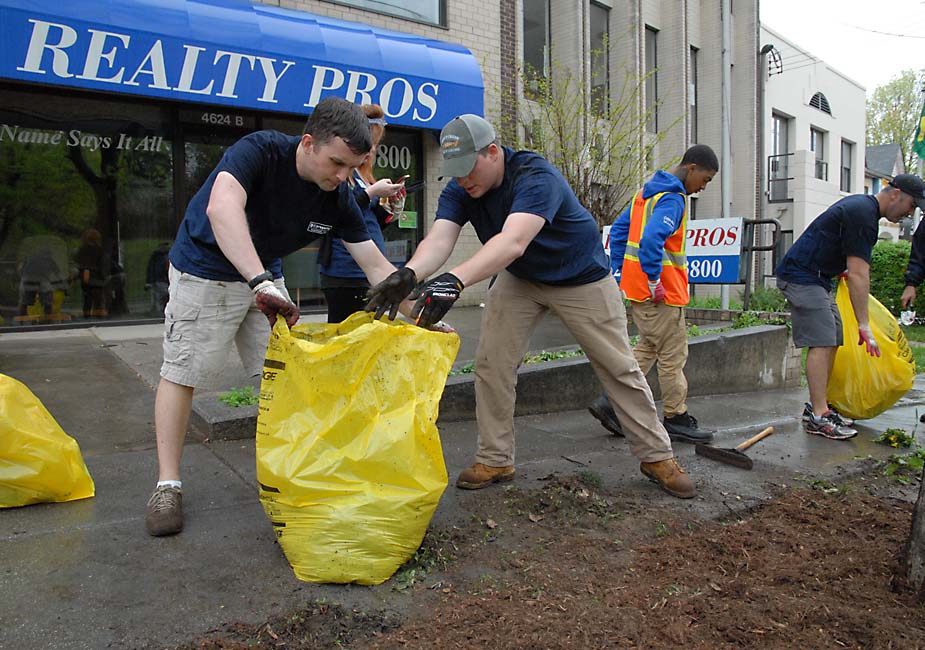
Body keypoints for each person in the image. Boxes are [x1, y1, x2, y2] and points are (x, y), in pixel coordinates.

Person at [365, 114, 696, 499]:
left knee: (618, 365)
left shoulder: (534, 175)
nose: (462, 180)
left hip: (581, 277)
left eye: (468, 168)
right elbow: (440, 239)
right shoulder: (461, 188)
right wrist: (408, 274)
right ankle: (496, 457)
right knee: (492, 363)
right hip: (521, 278)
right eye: (454, 172)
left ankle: (656, 456)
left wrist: (455, 281)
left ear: (492, 152)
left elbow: (512, 241)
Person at [145, 97, 405, 537]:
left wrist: (422, 315)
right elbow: (221, 208)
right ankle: (167, 484)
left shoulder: (338, 195)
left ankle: (295, 471)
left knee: (286, 376)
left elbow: (378, 268)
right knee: (183, 371)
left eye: (352, 167)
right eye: (337, 163)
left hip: (265, 276)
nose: (343, 177)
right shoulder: (259, 151)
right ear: (308, 143)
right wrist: (259, 280)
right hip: (205, 271)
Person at [776, 173, 925, 440]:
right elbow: (859, 274)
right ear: (895, 194)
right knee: (822, 340)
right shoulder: (863, 215)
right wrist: (864, 325)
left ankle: (819, 406)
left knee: (833, 336)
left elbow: (840, 251)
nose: (910, 212)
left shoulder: (863, 209)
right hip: (801, 276)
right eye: (912, 204)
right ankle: (818, 416)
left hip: (817, 278)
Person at [587, 145, 718, 444]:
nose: (703, 187)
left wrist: (622, 272)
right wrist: (655, 279)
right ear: (691, 168)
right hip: (663, 295)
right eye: (706, 179)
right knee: (673, 357)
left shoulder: (645, 194)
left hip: (639, 293)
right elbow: (650, 240)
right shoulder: (673, 199)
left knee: (647, 348)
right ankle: (676, 417)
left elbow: (619, 232)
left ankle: (611, 402)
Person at [319, 104, 406, 322]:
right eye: (370, 143)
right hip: (345, 271)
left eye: (375, 144)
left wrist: (389, 209)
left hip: (369, 268)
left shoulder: (363, 175)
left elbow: (366, 219)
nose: (373, 150)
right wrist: (373, 192)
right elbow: (341, 213)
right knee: (345, 336)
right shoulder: (340, 174)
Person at [75, 229, 109, 318]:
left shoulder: (81, 250)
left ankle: (86, 315)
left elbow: (78, 263)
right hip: (98, 279)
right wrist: (104, 276)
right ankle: (99, 315)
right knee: (98, 299)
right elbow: (103, 265)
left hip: (85, 278)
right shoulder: (100, 250)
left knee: (87, 299)